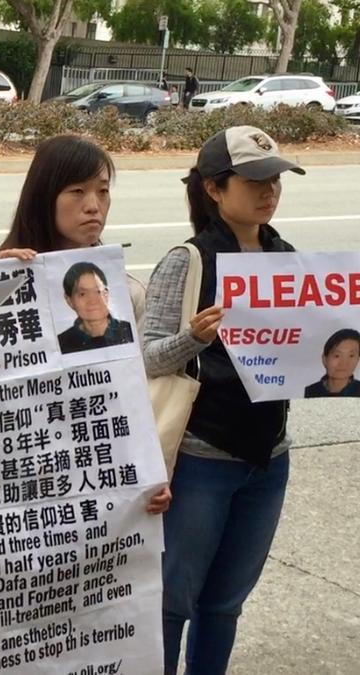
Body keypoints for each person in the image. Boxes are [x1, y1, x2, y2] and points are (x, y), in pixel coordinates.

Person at [141, 125, 304, 675]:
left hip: (269, 457)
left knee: (225, 604)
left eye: (276, 179)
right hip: (202, 457)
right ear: (213, 188)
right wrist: (194, 338)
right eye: (254, 179)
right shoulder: (188, 261)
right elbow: (143, 358)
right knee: (173, 601)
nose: (269, 191)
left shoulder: (288, 258)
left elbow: (310, 358)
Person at [0, 134, 170, 514]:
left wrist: (152, 472)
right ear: (45, 196)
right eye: (77, 191)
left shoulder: (127, 293)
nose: (93, 206)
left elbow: (137, 396)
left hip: (100, 477)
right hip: (25, 474)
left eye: (103, 192)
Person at [57, 261, 135, 353]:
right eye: (82, 294)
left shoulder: (130, 330)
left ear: (106, 294)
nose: (92, 300)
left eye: (98, 291)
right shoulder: (61, 343)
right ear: (69, 300)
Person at [304, 328, 360, 397]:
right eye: (337, 356)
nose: (343, 363)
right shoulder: (309, 392)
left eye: (351, 356)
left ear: (358, 359)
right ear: (325, 359)